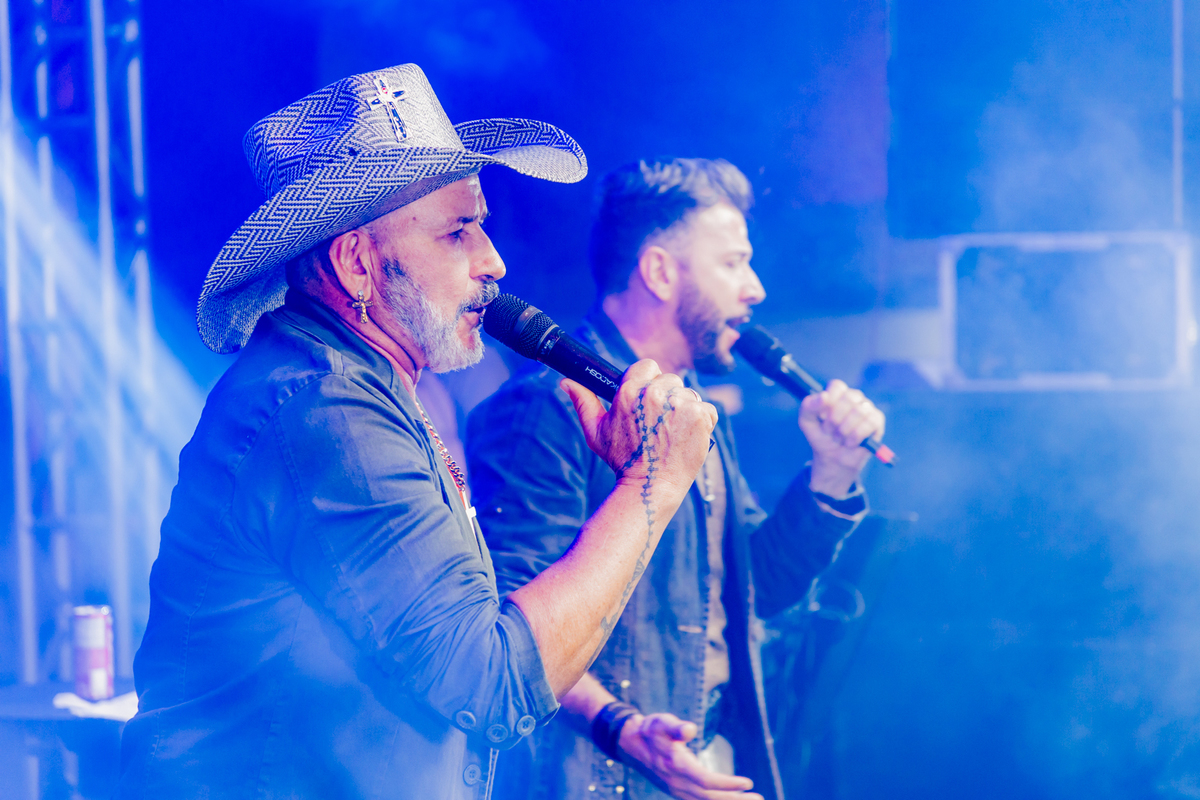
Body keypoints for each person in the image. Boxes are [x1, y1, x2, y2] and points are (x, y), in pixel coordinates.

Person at [115, 66, 717, 800]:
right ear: (356, 263)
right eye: (458, 232)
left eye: (481, 225)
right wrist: (652, 485)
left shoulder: (357, 387)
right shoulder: (326, 412)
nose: (493, 262)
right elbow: (492, 682)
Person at [466, 158, 887, 800]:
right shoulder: (549, 405)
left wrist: (832, 472)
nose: (755, 289)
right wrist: (622, 728)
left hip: (695, 757)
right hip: (603, 775)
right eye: (733, 263)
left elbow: (757, 587)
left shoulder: (689, 409)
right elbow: (517, 626)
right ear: (660, 272)